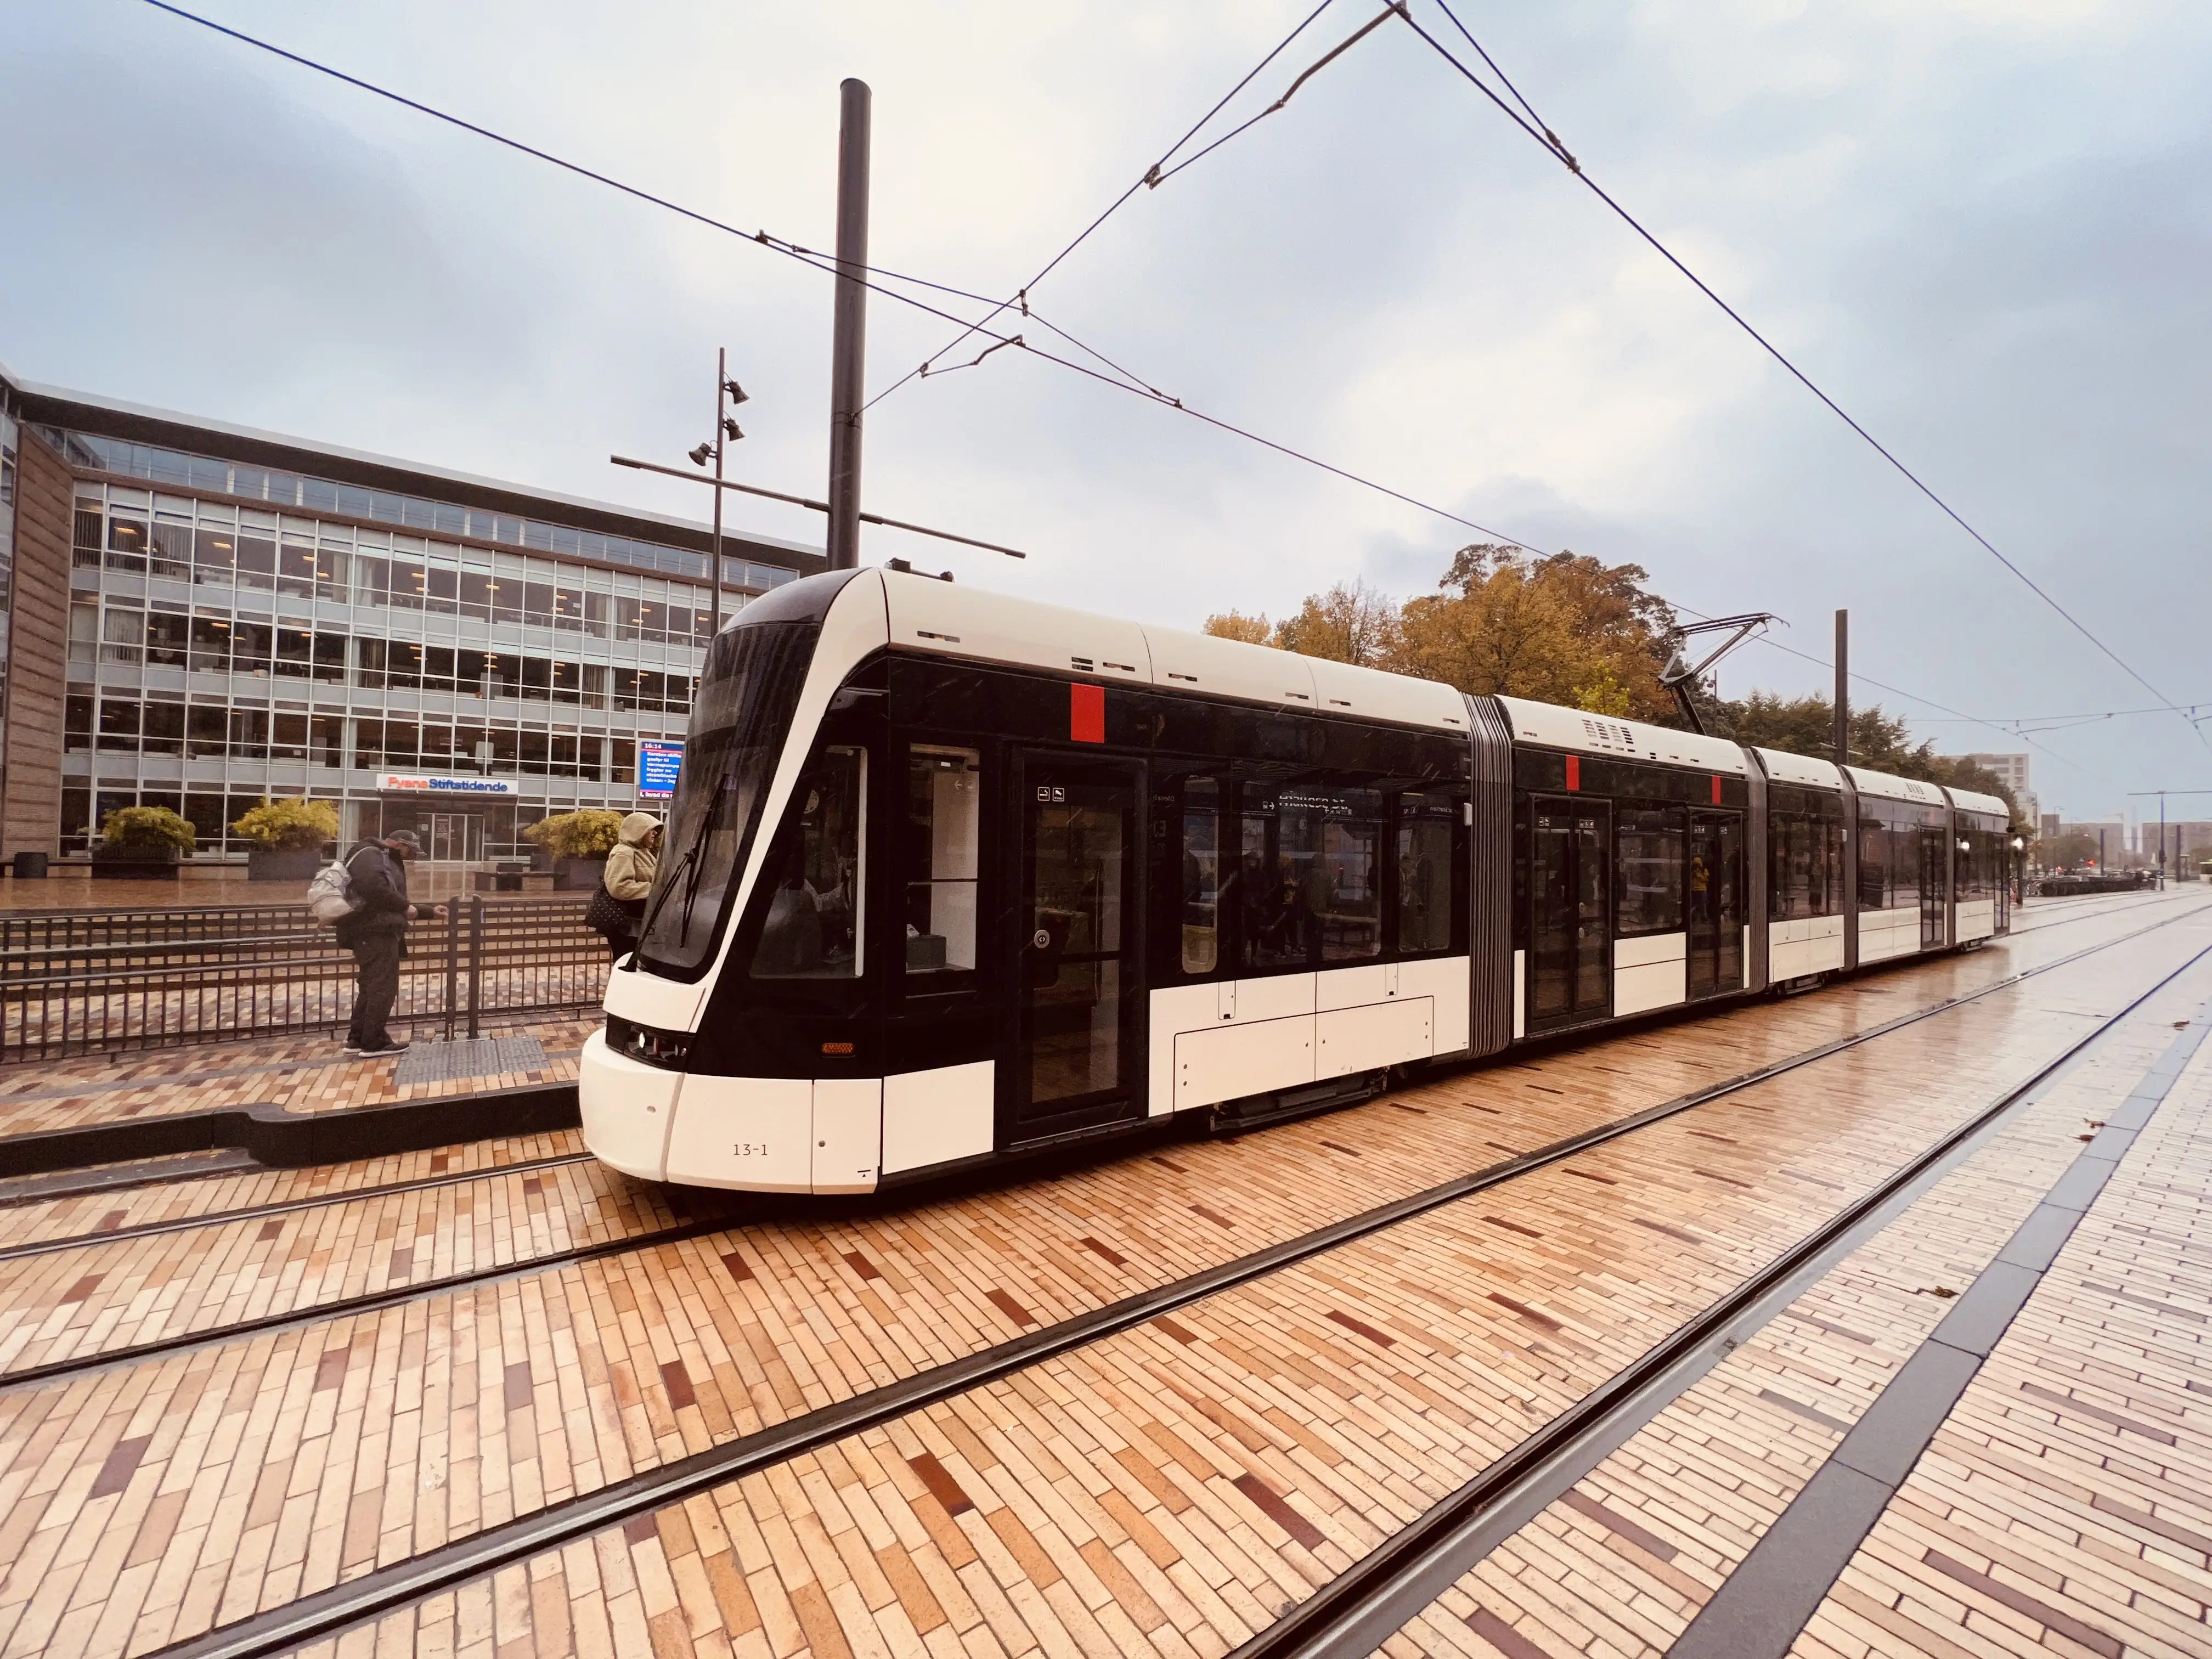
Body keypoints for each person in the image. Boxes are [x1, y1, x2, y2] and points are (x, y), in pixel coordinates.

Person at [335, 828, 442, 1057]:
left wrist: (429, 912)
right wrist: (405, 906)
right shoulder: (371, 854)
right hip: (375, 933)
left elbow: (389, 902)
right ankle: (374, 1043)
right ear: (398, 844)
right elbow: (375, 889)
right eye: (409, 850)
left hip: (373, 930)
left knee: (371, 987)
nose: (409, 855)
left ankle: (358, 1039)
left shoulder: (378, 856)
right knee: (382, 987)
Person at [592, 812, 662, 961]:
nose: (655, 832)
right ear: (639, 830)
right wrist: (656, 890)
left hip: (637, 922)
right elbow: (619, 887)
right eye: (651, 829)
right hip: (627, 925)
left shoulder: (644, 852)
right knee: (627, 962)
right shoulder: (624, 852)